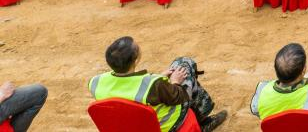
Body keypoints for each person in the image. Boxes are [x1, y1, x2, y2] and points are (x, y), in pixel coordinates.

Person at [91, 36, 227, 132]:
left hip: (130, 126)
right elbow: (179, 96)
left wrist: (159, 78)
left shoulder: (95, 82)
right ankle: (202, 121)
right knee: (185, 65)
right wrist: (174, 81)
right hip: (166, 126)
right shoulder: (154, 85)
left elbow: (126, 92)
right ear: (136, 60)